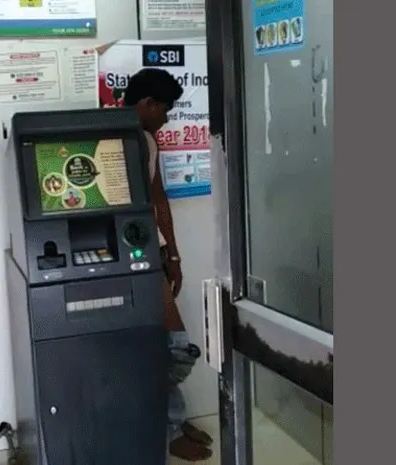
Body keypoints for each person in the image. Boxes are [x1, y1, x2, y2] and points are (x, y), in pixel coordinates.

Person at [123, 68, 215, 462]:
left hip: (151, 253)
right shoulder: (119, 137)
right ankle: (169, 427)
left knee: (164, 344)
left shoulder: (148, 138)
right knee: (171, 346)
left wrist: (173, 253)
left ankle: (173, 421)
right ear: (146, 103)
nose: (169, 115)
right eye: (166, 107)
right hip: (132, 258)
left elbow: (157, 196)